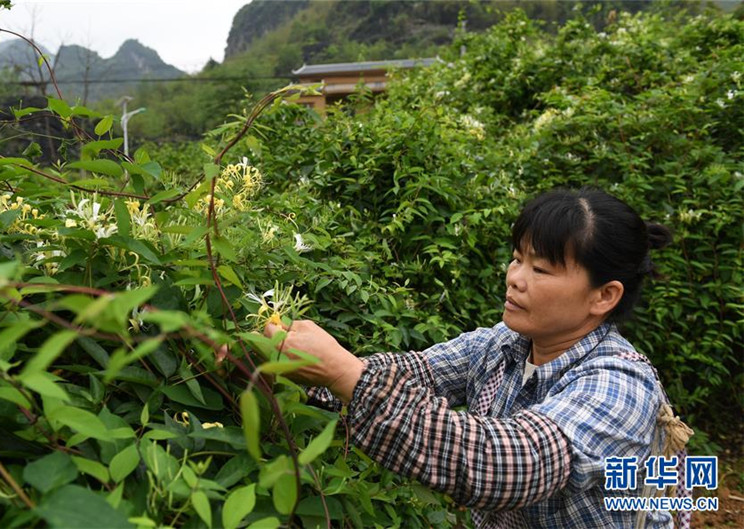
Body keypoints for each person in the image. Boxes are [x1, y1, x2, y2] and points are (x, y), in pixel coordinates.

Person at [263, 187, 690, 528]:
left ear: (604, 296)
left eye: (540, 270)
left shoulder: (620, 384)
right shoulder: (503, 344)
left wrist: (344, 373)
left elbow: (509, 462)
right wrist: (280, 364)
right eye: (518, 258)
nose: (515, 278)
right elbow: (416, 373)